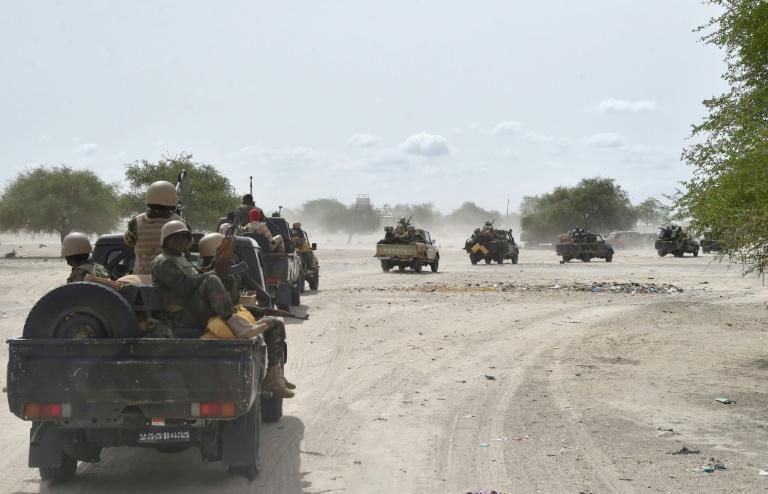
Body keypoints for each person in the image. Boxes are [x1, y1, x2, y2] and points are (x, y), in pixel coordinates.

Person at [196, 231, 295, 396]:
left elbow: (231, 305)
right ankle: (273, 378)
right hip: (219, 322)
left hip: (221, 318)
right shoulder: (213, 278)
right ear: (218, 251)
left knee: (273, 320)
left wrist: (262, 310)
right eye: (227, 250)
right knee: (275, 324)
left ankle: (276, 376)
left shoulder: (206, 273)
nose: (230, 254)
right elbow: (224, 307)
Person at [124, 180, 186, 275]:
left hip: (141, 275)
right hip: (171, 278)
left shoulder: (136, 222)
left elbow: (128, 242)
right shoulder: (180, 223)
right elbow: (186, 247)